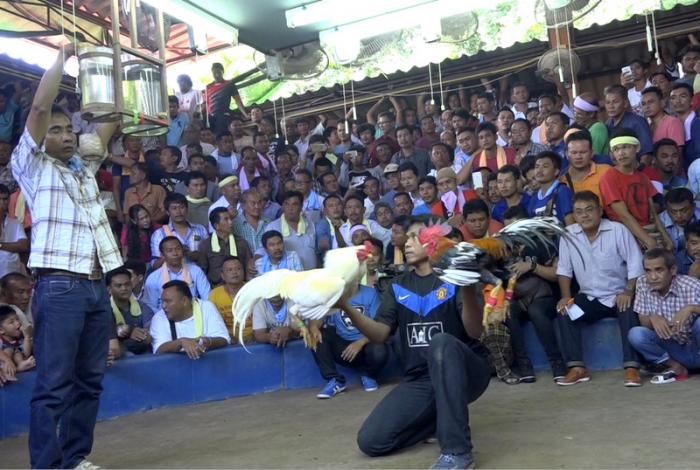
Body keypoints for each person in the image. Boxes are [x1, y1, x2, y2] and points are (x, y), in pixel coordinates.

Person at [11, 45, 121, 469]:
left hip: (96, 286)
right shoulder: (33, 166)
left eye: (69, 129)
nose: (65, 133)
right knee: (54, 384)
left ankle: (75, 459)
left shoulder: (82, 168)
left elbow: (111, 121)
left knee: (89, 381)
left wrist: (113, 67)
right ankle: (47, 465)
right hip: (59, 286)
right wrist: (63, 56)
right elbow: (39, 106)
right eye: (56, 130)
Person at [341, 216, 490, 469]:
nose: (406, 242)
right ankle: (441, 418)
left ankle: (457, 451)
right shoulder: (398, 286)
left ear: (434, 241)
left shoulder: (454, 279)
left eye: (414, 237)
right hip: (422, 378)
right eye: (406, 237)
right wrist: (345, 305)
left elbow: (474, 332)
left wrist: (466, 286)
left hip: (466, 371)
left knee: (441, 342)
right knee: (371, 441)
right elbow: (379, 335)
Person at [556, 191, 644, 386]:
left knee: (628, 308)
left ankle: (632, 368)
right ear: (574, 214)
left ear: (600, 210)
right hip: (588, 299)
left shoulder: (617, 230)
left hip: (618, 295)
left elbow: (635, 264)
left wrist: (628, 290)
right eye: (579, 212)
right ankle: (577, 368)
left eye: (589, 210)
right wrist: (565, 297)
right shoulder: (568, 235)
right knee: (565, 312)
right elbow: (564, 270)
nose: (584, 215)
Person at [628, 249, 700, 383]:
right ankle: (675, 367)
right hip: (674, 351)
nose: (653, 277)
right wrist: (653, 318)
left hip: (695, 347)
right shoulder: (642, 284)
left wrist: (691, 308)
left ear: (672, 270)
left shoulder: (691, 285)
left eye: (659, 270)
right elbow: (643, 321)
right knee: (636, 334)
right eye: (648, 271)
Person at [312, 283, 389, 398]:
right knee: (316, 336)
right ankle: (335, 380)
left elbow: (379, 327)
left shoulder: (370, 294)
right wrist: (313, 328)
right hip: (342, 348)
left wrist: (360, 342)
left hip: (366, 346)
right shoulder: (333, 294)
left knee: (380, 349)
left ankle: (368, 375)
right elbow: (317, 318)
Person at [599, 132, 669, 250]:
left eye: (625, 147)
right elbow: (623, 215)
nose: (621, 153)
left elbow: (653, 213)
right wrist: (648, 241)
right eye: (616, 149)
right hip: (624, 234)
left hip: (648, 230)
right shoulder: (609, 177)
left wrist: (666, 238)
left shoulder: (643, 177)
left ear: (637, 148)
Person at [149, 280, 229, 357]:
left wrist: (206, 341)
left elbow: (224, 339)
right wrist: (181, 342)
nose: (163, 306)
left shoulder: (206, 307)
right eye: (162, 301)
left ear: (184, 301)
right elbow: (158, 350)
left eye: (168, 301)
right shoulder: (159, 317)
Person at [142, 237, 211, 311]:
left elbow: (207, 298)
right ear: (162, 255)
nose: (175, 253)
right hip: (164, 317)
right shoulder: (153, 278)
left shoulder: (195, 271)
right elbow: (149, 306)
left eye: (178, 249)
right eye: (169, 250)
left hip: (193, 314)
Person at [106, 267, 154, 355]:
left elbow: (150, 335)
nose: (124, 288)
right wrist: (129, 332)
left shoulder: (143, 307)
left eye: (127, 284)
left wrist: (144, 335)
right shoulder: (104, 311)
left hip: (144, 353)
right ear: (109, 289)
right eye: (119, 285)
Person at [265, 191, 318, 271]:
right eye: (286, 204)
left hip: (311, 276)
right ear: (282, 206)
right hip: (288, 278)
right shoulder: (272, 227)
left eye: (294, 204)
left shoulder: (311, 225)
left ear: (301, 206)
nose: (290, 208)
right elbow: (264, 251)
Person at [199, 207, 253, 285]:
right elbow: (202, 272)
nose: (231, 222)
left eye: (230, 219)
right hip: (216, 288)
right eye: (226, 219)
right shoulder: (205, 245)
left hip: (240, 287)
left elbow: (249, 268)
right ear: (216, 225)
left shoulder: (242, 243)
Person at [150, 192, 208, 263]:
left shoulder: (201, 229)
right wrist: (172, 254)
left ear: (187, 209)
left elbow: (208, 256)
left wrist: (197, 256)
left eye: (182, 207)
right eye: (174, 208)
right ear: (167, 212)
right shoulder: (159, 234)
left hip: (198, 272)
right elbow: (155, 264)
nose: (178, 211)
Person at [209, 256, 251, 343]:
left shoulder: (254, 289)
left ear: (244, 271)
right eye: (229, 270)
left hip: (254, 339)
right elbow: (213, 322)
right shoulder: (214, 295)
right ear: (223, 275)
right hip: (228, 340)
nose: (234, 272)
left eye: (238, 269)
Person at [560, 131, 610, 200]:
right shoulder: (561, 180)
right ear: (566, 154)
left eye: (583, 152)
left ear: (592, 153)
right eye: (574, 153)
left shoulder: (606, 172)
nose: (578, 156)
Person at [527, 151, 574, 225]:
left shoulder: (562, 192)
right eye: (537, 167)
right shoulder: (534, 198)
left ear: (556, 171)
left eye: (545, 166)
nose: (539, 170)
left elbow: (571, 225)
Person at [205, 62, 248, 134]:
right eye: (214, 73)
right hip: (211, 117)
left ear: (223, 72)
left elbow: (238, 101)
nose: (217, 75)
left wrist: (245, 115)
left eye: (219, 72)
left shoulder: (229, 84)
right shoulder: (208, 87)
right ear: (212, 73)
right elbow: (206, 104)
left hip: (223, 115)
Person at [0, 183, 28, 277]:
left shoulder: (15, 223)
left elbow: (23, 246)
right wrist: (12, 246)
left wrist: (0, 245)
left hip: (12, 272)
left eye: (5, 199)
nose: (2, 202)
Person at [659, 188, 697, 254]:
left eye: (684, 210)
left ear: (693, 206)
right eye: (673, 212)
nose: (679, 216)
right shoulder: (659, 223)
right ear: (666, 210)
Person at [0, 305, 35, 373]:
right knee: (9, 350)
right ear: (1, 330)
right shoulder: (1, 340)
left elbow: (26, 354)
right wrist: (7, 359)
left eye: (17, 319)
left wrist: (26, 337)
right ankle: (17, 369)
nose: (17, 323)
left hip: (14, 365)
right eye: (11, 322)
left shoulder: (19, 339)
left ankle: (20, 365)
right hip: (3, 366)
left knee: (17, 352)